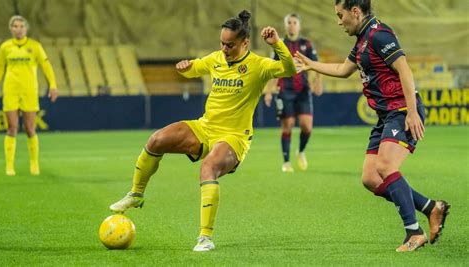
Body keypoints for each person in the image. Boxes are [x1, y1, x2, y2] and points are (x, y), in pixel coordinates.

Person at [109, 10, 296, 252]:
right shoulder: (216, 58)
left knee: (208, 167)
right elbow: (192, 69)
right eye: (222, 43)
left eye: (230, 45)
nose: (224, 48)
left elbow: (289, 69)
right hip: (205, 127)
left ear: (245, 42)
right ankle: (136, 193)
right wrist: (184, 67)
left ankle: (205, 237)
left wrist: (277, 43)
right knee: (157, 140)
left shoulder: (259, 65)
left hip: (234, 137)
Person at [294, 0, 450, 252]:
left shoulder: (379, 34)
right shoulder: (362, 40)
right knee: (370, 178)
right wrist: (311, 65)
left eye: (340, 15)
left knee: (385, 166)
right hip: (385, 116)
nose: (338, 21)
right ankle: (431, 207)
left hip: (401, 110)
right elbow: (343, 69)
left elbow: (405, 71)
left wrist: (411, 112)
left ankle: (414, 232)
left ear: (355, 11)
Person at [0, 15, 58, 176]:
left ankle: (34, 164)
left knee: (30, 128)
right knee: (12, 127)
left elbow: (46, 65)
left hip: (30, 90)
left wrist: (53, 85)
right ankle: (9, 166)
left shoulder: (35, 46)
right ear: (11, 29)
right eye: (15, 26)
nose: (19, 29)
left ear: (26, 28)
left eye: (21, 26)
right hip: (10, 90)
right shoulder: (5, 47)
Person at [264, 13, 323, 172]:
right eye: (289, 22)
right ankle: (286, 162)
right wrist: (269, 92)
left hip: (303, 90)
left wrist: (318, 82)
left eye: (294, 22)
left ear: (299, 25)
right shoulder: (279, 44)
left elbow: (316, 64)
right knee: (287, 125)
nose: (291, 25)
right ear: (285, 25)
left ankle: (301, 151)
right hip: (285, 90)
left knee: (307, 126)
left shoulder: (307, 44)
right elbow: (272, 70)